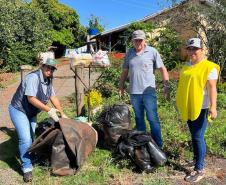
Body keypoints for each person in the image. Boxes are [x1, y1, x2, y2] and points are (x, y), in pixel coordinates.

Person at [8, 58, 68, 182]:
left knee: (31, 137)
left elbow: (53, 96)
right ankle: (27, 168)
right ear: (42, 66)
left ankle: (31, 156)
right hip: (18, 109)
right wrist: (49, 110)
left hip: (31, 112)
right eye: (48, 67)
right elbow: (31, 98)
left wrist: (62, 113)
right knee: (25, 138)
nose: (50, 70)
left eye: (52, 69)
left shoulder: (48, 80)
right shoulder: (33, 78)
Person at [176, 38, 220, 183]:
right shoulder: (187, 66)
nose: (192, 51)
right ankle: (196, 159)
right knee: (193, 135)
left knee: (198, 136)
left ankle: (199, 169)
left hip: (202, 107)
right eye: (189, 49)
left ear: (202, 50)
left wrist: (213, 107)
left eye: (195, 49)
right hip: (189, 107)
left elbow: (212, 88)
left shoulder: (209, 67)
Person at [119, 30, 170, 148]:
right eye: (135, 40)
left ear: (144, 40)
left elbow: (162, 69)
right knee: (139, 118)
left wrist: (166, 85)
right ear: (132, 41)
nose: (138, 42)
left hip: (149, 92)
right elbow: (125, 71)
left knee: (152, 118)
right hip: (134, 93)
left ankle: (158, 145)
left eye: (140, 40)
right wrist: (121, 86)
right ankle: (143, 144)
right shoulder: (129, 53)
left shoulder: (152, 52)